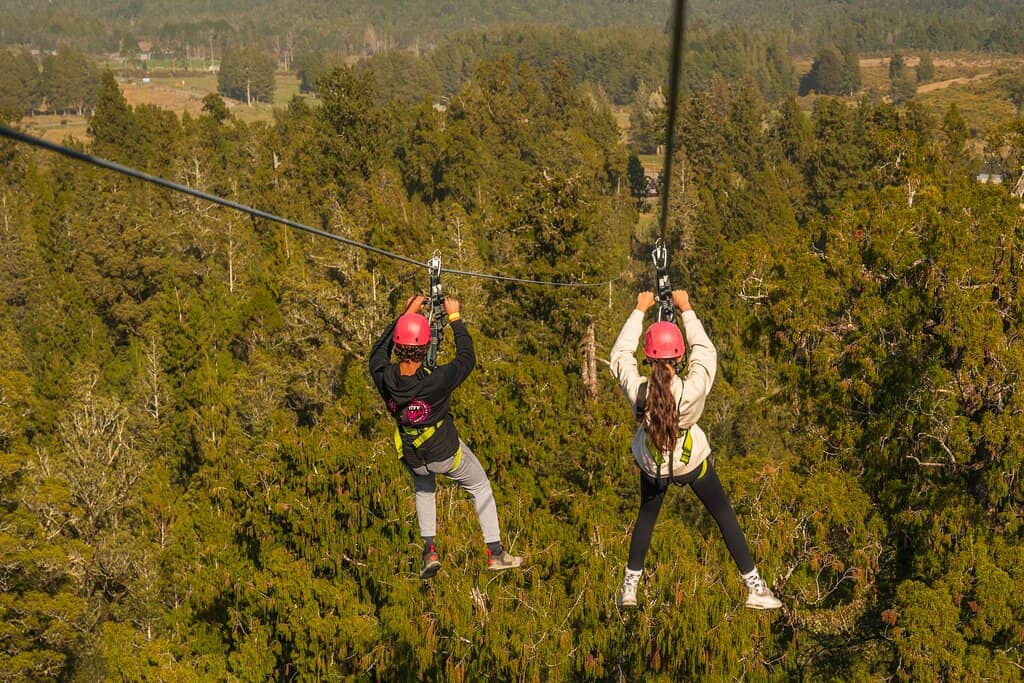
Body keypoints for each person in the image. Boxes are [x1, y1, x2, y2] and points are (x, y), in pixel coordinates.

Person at [609, 289, 781, 610]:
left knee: (646, 517)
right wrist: (686, 309)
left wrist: (639, 310)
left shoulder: (641, 392)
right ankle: (754, 586)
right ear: (679, 358)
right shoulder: (693, 389)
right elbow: (705, 352)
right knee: (723, 515)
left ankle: (629, 588)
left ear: (649, 358)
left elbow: (620, 357)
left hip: (653, 465)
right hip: (691, 463)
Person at [369, 294, 523, 579]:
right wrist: (455, 319)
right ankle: (496, 552)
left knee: (424, 489)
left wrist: (405, 315)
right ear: (426, 345)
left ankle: (429, 550)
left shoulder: (383, 377)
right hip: (445, 453)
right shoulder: (436, 380)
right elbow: (467, 358)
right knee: (480, 486)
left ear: (399, 349)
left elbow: (378, 351)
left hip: (413, 456)